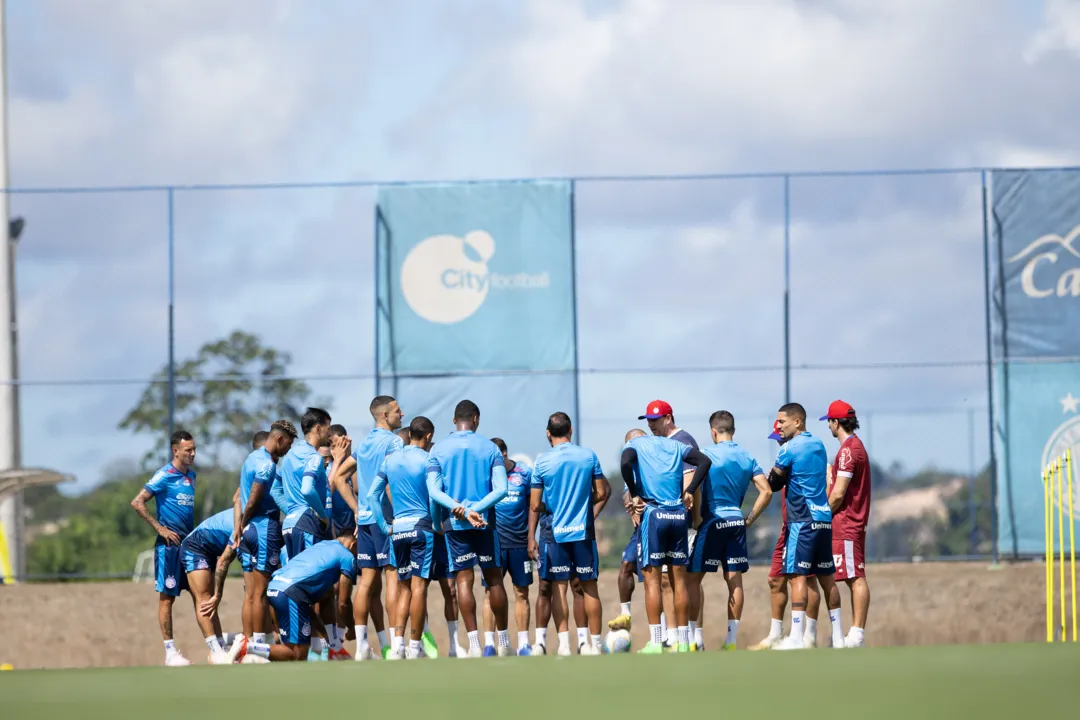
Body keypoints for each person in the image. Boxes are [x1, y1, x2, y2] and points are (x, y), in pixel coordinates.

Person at [426, 399, 511, 658]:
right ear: (476, 419)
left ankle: (473, 644)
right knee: (494, 578)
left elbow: (433, 491)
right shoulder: (491, 449)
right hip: (485, 522)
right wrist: (477, 509)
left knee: (464, 579)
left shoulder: (438, 449)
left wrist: (454, 512)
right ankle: (504, 643)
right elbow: (502, 489)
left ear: (454, 420)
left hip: (455, 523)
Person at [620, 426, 711, 654]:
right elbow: (704, 461)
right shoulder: (674, 444)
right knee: (679, 581)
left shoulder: (635, 444)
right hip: (678, 515)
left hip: (654, 514)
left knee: (652, 582)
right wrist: (690, 490)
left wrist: (634, 492)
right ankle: (682, 641)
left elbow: (624, 463)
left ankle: (657, 642)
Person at [687, 411, 772, 651]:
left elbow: (696, 489)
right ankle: (731, 641)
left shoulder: (706, 454)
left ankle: (695, 639)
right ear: (733, 430)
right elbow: (766, 491)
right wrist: (750, 519)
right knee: (734, 580)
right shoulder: (747, 456)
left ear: (713, 432)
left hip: (712, 521)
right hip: (736, 521)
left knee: (692, 579)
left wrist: (697, 519)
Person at [767, 403, 845, 651]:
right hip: (823, 517)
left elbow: (774, 483)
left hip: (802, 519)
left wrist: (775, 475)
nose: (778, 426)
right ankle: (839, 637)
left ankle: (796, 638)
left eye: (782, 421)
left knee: (796, 575)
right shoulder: (819, 444)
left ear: (797, 422)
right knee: (827, 578)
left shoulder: (789, 448)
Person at [332, 396, 404, 660]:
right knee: (393, 578)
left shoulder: (364, 445)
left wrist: (356, 508)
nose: (402, 414)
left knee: (366, 582)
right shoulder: (394, 442)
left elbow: (340, 477)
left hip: (364, 521)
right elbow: (390, 480)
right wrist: (399, 514)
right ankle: (397, 646)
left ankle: (362, 645)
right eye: (398, 411)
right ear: (385, 415)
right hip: (385, 521)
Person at [531, 412, 609, 656]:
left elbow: (535, 505)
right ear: (571, 430)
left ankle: (564, 645)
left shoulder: (542, 462)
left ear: (548, 433)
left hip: (555, 532)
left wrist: (552, 506)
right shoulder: (588, 456)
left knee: (559, 588)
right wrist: (581, 503)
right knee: (589, 587)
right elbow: (601, 492)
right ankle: (592, 644)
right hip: (583, 531)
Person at [369, 416, 444, 659]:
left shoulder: (390, 460)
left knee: (403, 589)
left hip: (398, 530)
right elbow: (434, 496)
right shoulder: (429, 458)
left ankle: (398, 646)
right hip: (422, 527)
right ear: (429, 436)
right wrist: (435, 522)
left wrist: (384, 525)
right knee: (419, 587)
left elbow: (372, 496)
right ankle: (414, 647)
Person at [275, 407, 344, 660]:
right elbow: (307, 489)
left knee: (301, 584)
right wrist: (321, 514)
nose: (329, 432)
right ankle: (320, 647)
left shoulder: (291, 456)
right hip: (307, 524)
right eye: (328, 427)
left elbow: (275, 490)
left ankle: (316, 646)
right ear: (318, 428)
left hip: (292, 523)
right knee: (312, 586)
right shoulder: (312, 457)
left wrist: (291, 511)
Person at [748, 421, 823, 650]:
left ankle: (806, 636)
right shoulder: (788, 457)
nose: (779, 441)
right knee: (776, 579)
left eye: (781, 436)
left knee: (806, 578)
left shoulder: (803, 454)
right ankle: (775, 634)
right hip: (789, 526)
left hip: (804, 523)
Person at [229, 533, 358, 663]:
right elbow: (343, 603)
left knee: (292, 650)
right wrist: (352, 628)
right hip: (290, 594)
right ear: (354, 545)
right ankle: (246, 647)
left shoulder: (322, 546)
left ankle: (250, 656)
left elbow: (308, 606)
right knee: (297, 653)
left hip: (275, 587)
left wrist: (325, 636)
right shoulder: (347, 556)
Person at [129, 430, 198, 667]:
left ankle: (216, 646)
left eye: (194, 449)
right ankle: (170, 652)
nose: (192, 454)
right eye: (188, 450)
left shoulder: (192, 477)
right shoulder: (164, 475)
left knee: (203, 594)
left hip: (189, 546)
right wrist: (160, 529)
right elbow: (137, 502)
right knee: (167, 599)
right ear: (175, 451)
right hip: (168, 547)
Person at [638, 400, 703, 649]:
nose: (652, 425)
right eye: (649, 421)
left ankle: (684, 639)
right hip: (667, 517)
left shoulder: (682, 441)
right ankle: (674, 638)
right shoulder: (661, 443)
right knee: (667, 581)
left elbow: (689, 482)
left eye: (656, 420)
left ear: (669, 418)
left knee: (676, 580)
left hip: (677, 518)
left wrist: (694, 518)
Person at [236, 421, 297, 647]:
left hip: (248, 532)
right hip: (263, 528)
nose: (288, 450)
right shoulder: (267, 465)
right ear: (279, 440)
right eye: (288, 445)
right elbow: (252, 499)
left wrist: (241, 527)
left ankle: (247, 643)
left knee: (251, 594)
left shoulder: (251, 458)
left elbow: (241, 498)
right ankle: (258, 647)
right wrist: (244, 520)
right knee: (262, 593)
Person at [821, 400, 872, 648]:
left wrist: (822, 515)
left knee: (855, 577)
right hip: (850, 522)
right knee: (851, 576)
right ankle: (853, 633)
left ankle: (856, 634)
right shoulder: (853, 447)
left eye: (829, 421)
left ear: (835, 422)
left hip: (848, 522)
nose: (828, 426)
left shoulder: (848, 450)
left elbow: (839, 493)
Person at [482, 438, 534, 656]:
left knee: (521, 592)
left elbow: (534, 506)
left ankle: (523, 644)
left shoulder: (524, 474)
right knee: (489, 593)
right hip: (493, 542)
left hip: (520, 543)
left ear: (504, 454)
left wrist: (531, 537)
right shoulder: (485, 476)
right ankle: (490, 645)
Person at [180, 506, 238, 664]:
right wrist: (219, 594)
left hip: (210, 549)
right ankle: (215, 650)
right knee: (206, 599)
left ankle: (221, 647)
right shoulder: (244, 524)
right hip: (195, 547)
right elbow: (223, 562)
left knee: (211, 600)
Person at [326, 424, 358, 649]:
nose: (343, 447)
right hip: (334, 537)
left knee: (349, 591)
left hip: (356, 536)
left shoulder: (354, 468)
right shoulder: (327, 469)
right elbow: (328, 491)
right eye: (338, 444)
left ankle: (349, 634)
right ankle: (336, 640)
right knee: (334, 590)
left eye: (345, 443)